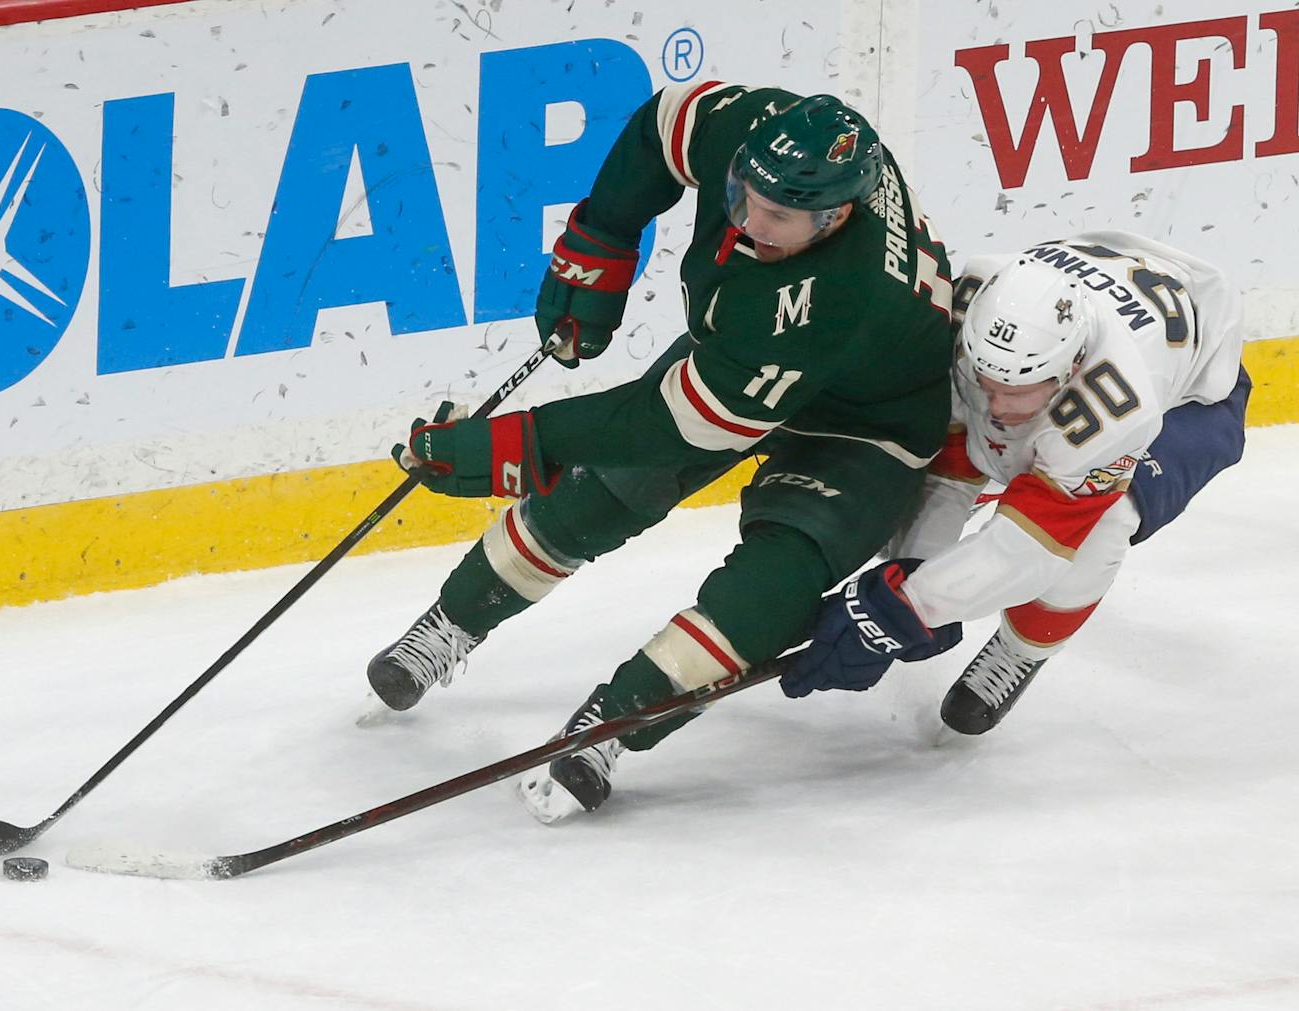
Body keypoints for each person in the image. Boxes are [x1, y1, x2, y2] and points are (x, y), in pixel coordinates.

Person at [371, 81, 956, 821]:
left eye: (775, 217)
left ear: (835, 216)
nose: (746, 220)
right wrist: (603, 239)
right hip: (745, 359)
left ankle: (610, 725)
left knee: (770, 587)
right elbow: (661, 125)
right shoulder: (764, 135)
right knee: (601, 491)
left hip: (868, 421)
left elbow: (674, 424)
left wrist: (521, 441)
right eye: (742, 193)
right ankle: (453, 621)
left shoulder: (832, 298)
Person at [778, 232, 1250, 734]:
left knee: (1101, 523)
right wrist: (911, 577)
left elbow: (1028, 549)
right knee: (943, 437)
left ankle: (1021, 651)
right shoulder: (968, 305)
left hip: (1191, 402)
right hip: (1108, 290)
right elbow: (953, 456)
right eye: (989, 382)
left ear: (1070, 368)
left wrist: (912, 606)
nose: (999, 406)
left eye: (1019, 390)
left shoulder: (1120, 406)